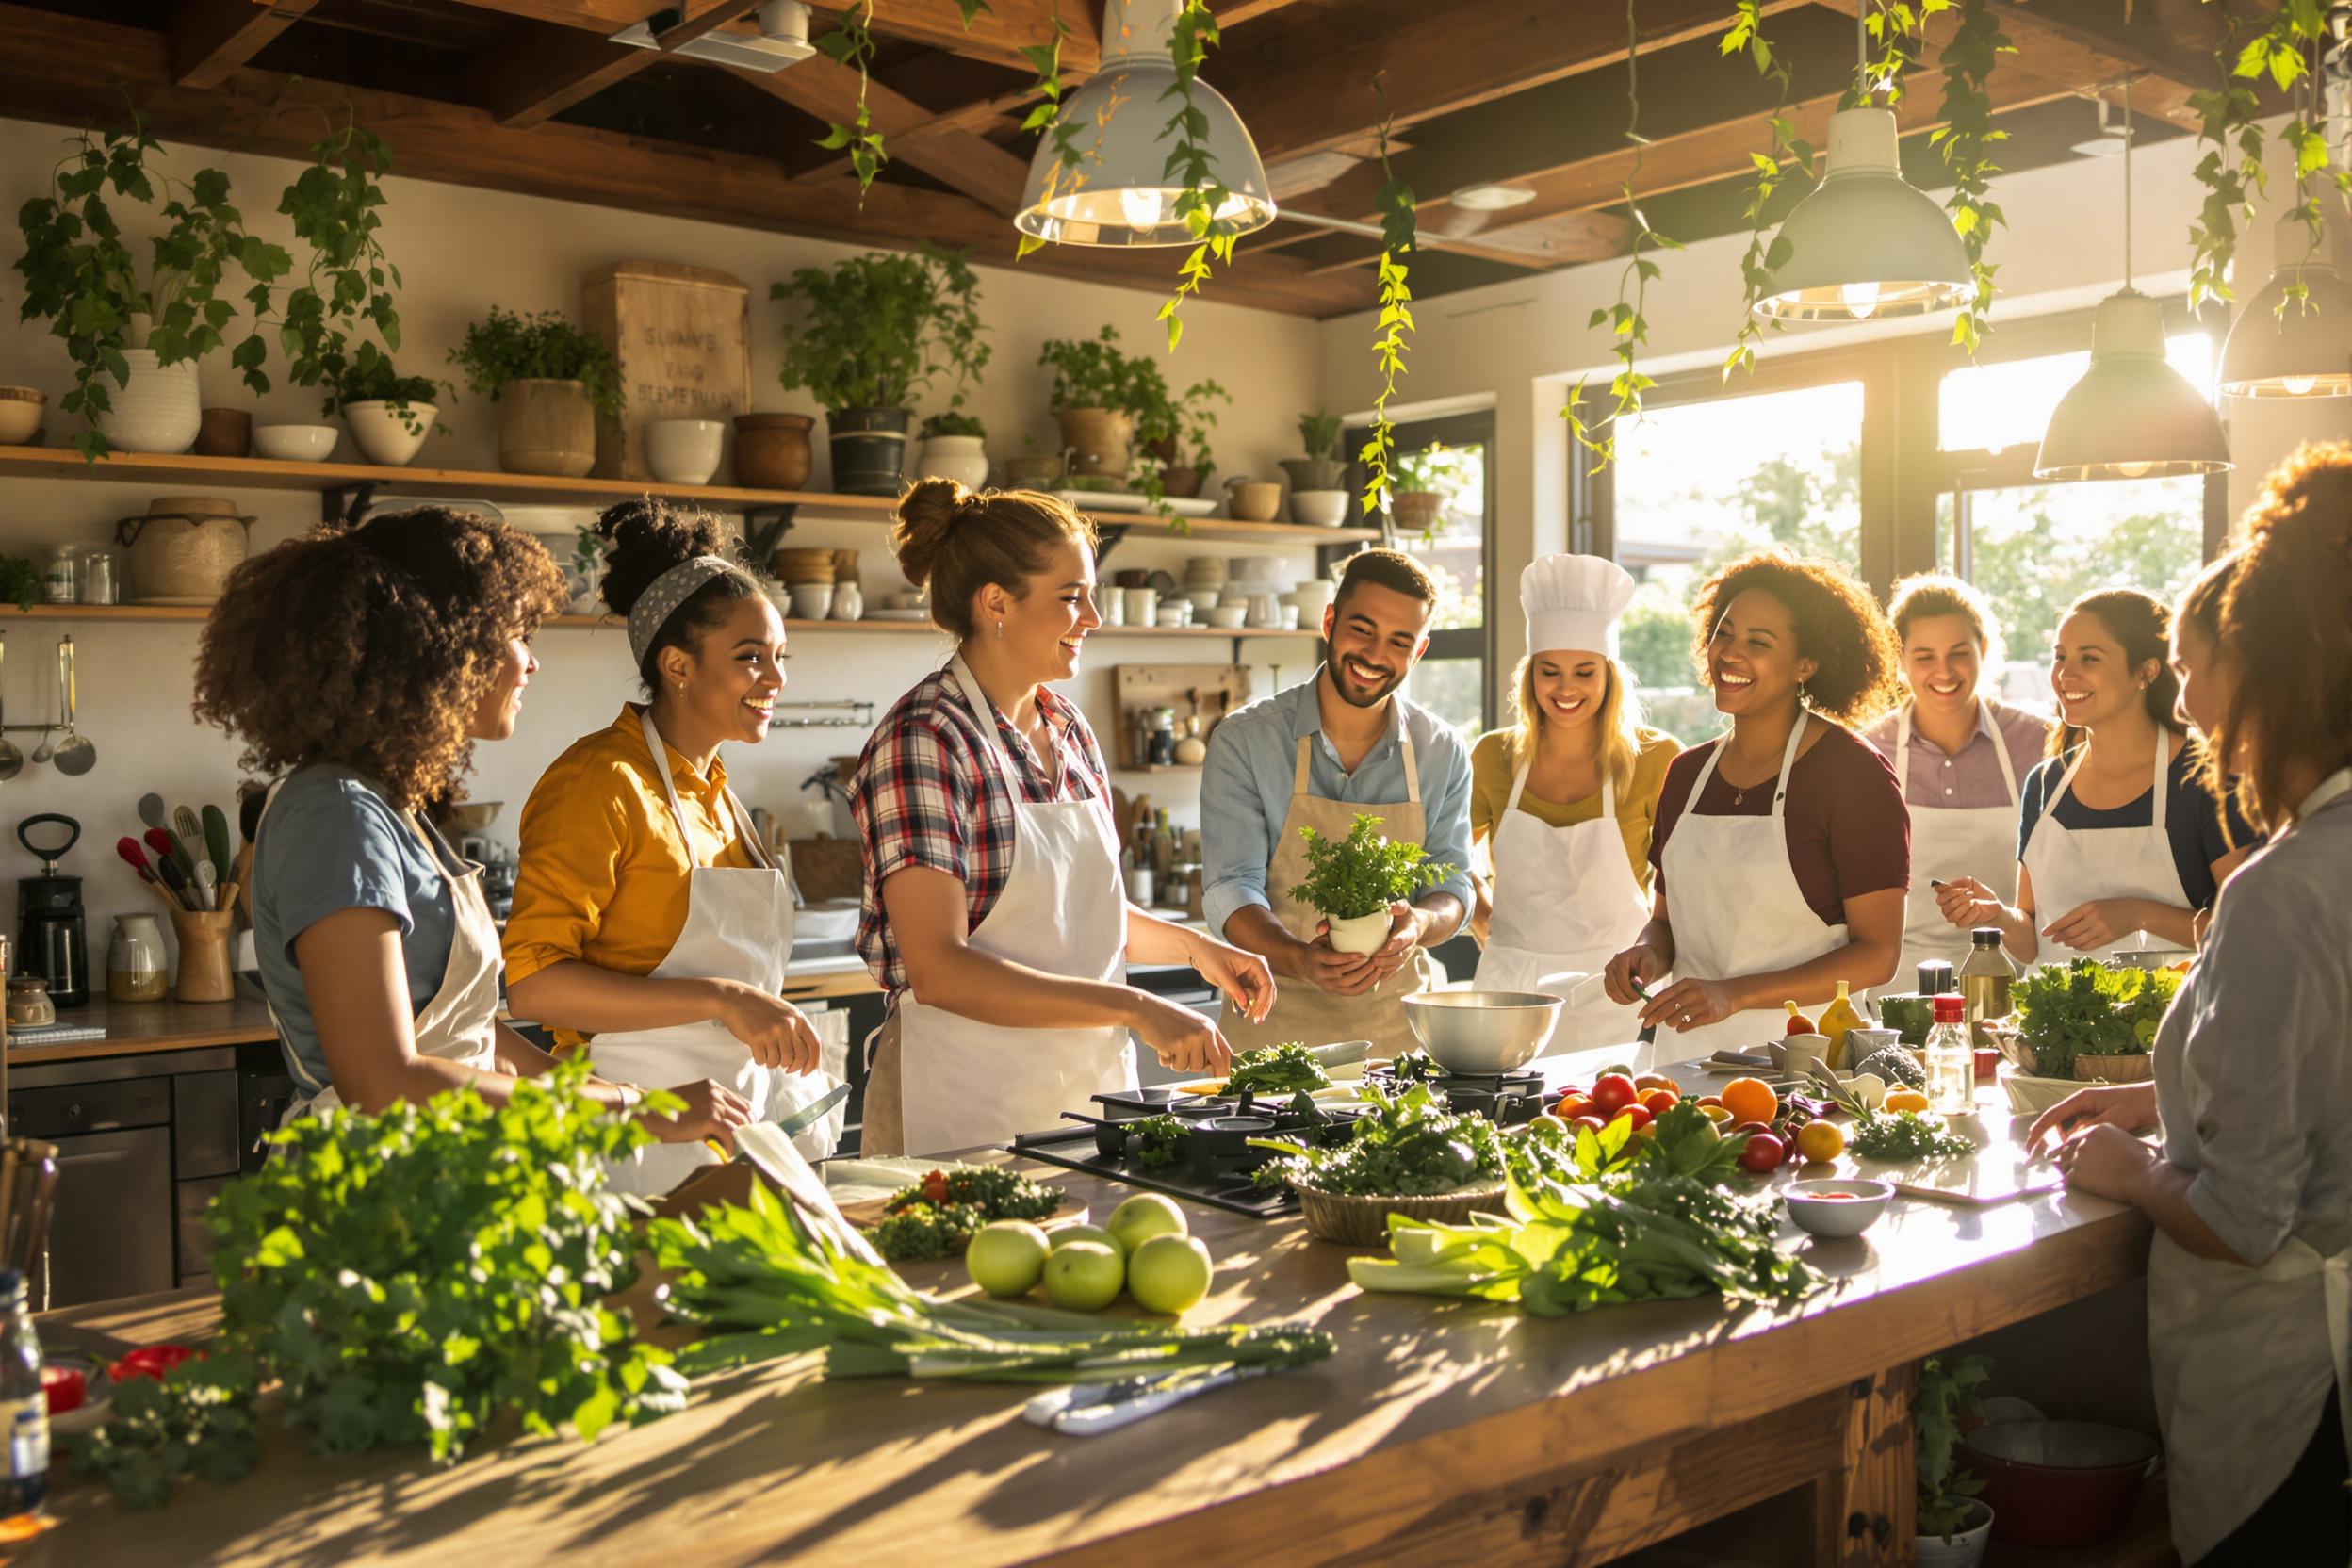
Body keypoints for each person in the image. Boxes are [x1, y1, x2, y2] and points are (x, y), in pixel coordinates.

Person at [2029, 447, 2352, 1563]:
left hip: (2292, 1379)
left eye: (2189, 664)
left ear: (2265, 672)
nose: (2189, 699)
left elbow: (2246, 1216)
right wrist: (2156, 1098)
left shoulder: (2283, 885)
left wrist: (2130, 1170)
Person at [195, 505, 745, 1152]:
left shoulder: (391, 808)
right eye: (518, 635)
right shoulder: (334, 815)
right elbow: (383, 1080)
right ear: (441, 645)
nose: (530, 664)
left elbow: (478, 1036)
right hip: (375, 1195)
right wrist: (625, 1109)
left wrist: (621, 1103)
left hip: (446, 1175)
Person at [851, 482, 1272, 1157]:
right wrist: (1136, 1007)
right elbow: (940, 969)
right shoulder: (925, 740)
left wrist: (1199, 949)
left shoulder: (1068, 729)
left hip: (1084, 1095)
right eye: (1072, 597)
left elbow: (1087, 923)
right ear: (996, 603)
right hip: (960, 1107)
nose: (1094, 618)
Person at [503, 499, 825, 1197]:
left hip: (731, 1135)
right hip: (630, 1140)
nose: (775, 680)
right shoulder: (599, 782)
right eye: (750, 659)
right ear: (678, 667)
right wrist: (723, 998)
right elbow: (532, 982)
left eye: (779, 658)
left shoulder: (721, 796)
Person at [1603, 551, 1908, 1059]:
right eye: (1724, 633)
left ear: (1805, 664)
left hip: (1807, 1063)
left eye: (1758, 642)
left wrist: (1733, 995)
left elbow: (1878, 955)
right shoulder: (1686, 775)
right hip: (1684, 1059)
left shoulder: (1853, 775)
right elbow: (1667, 921)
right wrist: (1647, 954)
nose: (1730, 653)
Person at [1200, 547, 1477, 1055]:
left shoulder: (1442, 751)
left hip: (1400, 1040)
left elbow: (1452, 882)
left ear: (1418, 652)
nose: (1374, 655)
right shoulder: (1245, 739)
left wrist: (1418, 924)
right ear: (1330, 621)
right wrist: (1299, 957)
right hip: (1271, 1035)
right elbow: (1229, 888)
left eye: (1399, 642)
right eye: (1362, 630)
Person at [1938, 588, 2252, 963]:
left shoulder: (2207, 779)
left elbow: (2249, 927)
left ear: (2146, 671)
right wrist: (2000, 917)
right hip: (2056, 1022)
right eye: (2060, 657)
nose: (2065, 674)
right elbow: (2032, 942)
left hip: (2175, 1017)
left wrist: (2139, 915)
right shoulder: (2044, 784)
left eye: (2089, 658)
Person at [1469, 555, 1679, 1056]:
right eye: (1550, 671)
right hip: (1508, 985)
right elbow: (1446, 857)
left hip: (1614, 987)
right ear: (1530, 676)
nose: (1566, 688)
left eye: (1584, 671)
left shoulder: (1656, 758)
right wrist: (1484, 919)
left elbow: (1684, 882)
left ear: (1609, 674)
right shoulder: (1492, 756)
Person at [1858, 575, 2049, 984]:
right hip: (1900, 984)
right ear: (1901, 660)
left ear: (1982, 649)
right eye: (1924, 656)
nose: (1943, 671)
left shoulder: (2038, 743)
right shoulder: (1868, 753)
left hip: (2016, 979)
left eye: (1959, 652)